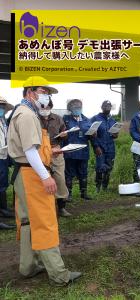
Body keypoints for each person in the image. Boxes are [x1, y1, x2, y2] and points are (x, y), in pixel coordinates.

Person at [7, 76, 81, 285]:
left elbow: (31, 149)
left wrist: (51, 151)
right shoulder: (28, 115)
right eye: (43, 91)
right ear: (30, 92)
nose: (46, 96)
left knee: (28, 221)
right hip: (32, 176)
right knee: (46, 222)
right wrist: (46, 176)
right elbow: (30, 151)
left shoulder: (21, 112)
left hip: (24, 174)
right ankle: (59, 275)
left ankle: (28, 267)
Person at [39, 100, 72, 217]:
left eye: (47, 106)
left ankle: (62, 207)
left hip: (56, 150)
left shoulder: (58, 118)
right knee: (42, 179)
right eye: (42, 106)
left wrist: (64, 134)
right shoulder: (34, 118)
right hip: (40, 151)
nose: (45, 108)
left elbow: (65, 132)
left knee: (60, 179)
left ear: (51, 107)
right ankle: (45, 208)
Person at [63, 99, 93, 201]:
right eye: (75, 107)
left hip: (83, 151)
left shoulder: (87, 120)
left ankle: (83, 193)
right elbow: (61, 133)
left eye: (79, 107)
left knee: (83, 172)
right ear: (70, 109)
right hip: (70, 151)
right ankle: (68, 194)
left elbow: (90, 136)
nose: (78, 109)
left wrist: (93, 134)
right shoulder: (65, 119)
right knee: (69, 173)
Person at [91, 100, 119, 192]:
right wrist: (95, 146)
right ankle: (97, 187)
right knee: (100, 167)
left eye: (109, 106)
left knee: (109, 167)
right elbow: (91, 134)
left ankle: (105, 187)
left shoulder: (112, 120)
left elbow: (115, 135)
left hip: (110, 148)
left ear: (111, 108)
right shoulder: (95, 118)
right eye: (105, 106)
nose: (107, 108)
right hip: (100, 147)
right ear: (102, 107)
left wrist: (115, 135)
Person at [0, 97, 15, 229]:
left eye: (3, 107)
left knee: (2, 184)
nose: (2, 109)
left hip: (3, 157)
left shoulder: (3, 121)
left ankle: (3, 209)